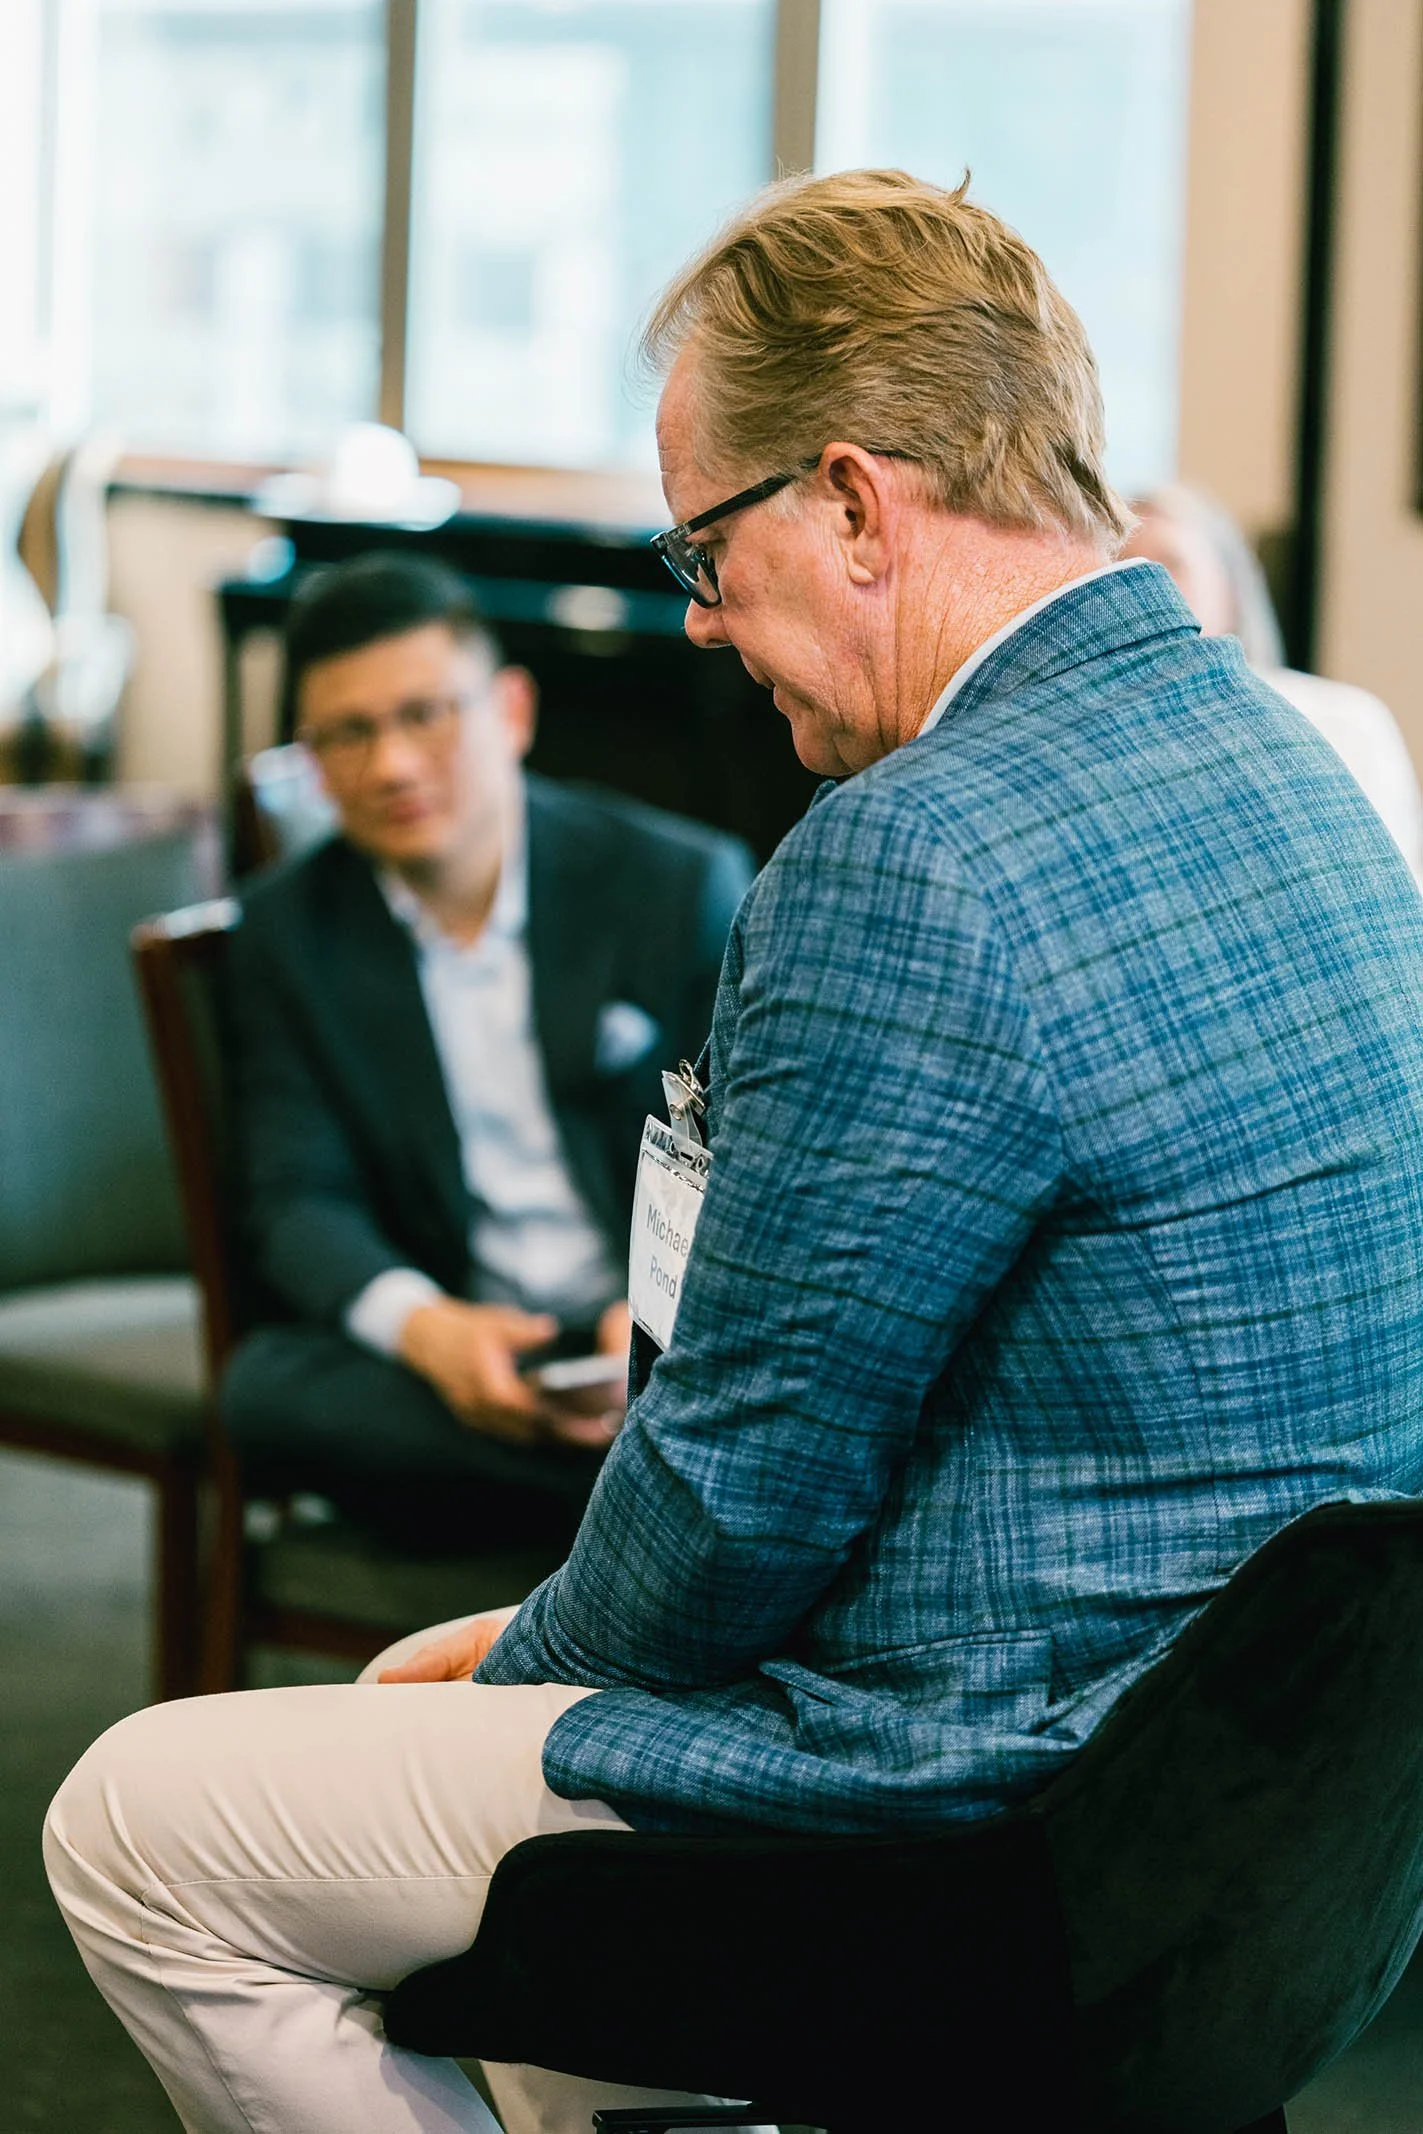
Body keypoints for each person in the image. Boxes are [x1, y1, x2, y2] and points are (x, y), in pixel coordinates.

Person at [45, 170, 1423, 2134]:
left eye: (706, 544)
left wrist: (519, 1663)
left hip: (982, 1812)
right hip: (1287, 1824)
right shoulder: (1296, 753)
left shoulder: (913, 853)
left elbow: (732, 1508)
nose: (696, 622)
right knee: (494, 1920)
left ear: (856, 501)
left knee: (140, 1827)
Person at [220, 551, 754, 1549]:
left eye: (425, 714)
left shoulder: (676, 884)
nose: (392, 765)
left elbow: (748, 1155)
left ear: (511, 709)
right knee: (267, 1392)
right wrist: (430, 1334)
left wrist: (648, 1314)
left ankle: (627, 1507)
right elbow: (296, 1198)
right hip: (466, 1338)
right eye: (349, 732)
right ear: (313, 759)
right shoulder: (285, 933)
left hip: (650, 1332)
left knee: (759, 1393)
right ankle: (647, 1526)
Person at [1123, 482, 1423, 883]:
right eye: (1125, 570)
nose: (1147, 595)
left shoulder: (1345, 723)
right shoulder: (1104, 744)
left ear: (1230, 586)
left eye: (1170, 565)